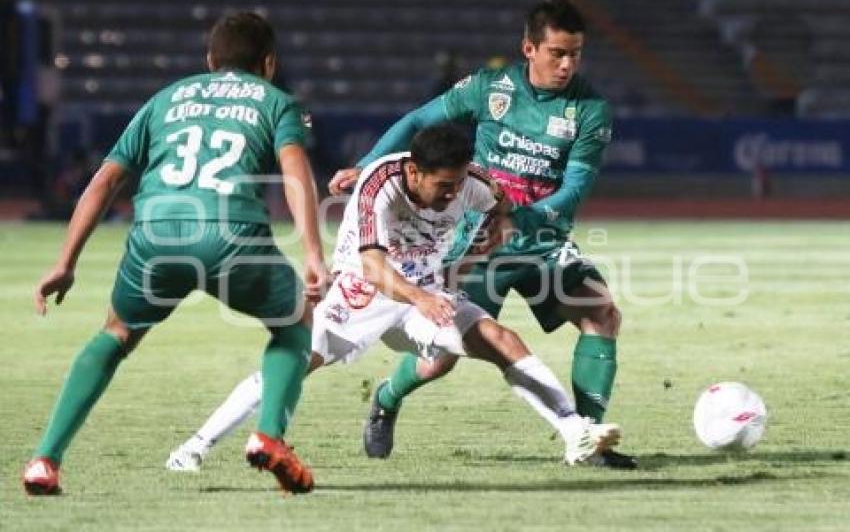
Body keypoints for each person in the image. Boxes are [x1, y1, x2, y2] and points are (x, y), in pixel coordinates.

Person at [165, 124, 622, 471]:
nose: (453, 194)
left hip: (426, 291)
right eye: (444, 186)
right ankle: (195, 448)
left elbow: (500, 212)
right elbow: (373, 266)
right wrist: (420, 297)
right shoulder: (378, 185)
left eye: (458, 184)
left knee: (500, 339)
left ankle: (573, 432)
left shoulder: (472, 184)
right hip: (363, 292)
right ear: (414, 171)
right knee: (291, 364)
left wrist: (463, 265)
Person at [22, 12, 328, 496]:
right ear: (269, 63)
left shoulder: (166, 98)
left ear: (210, 60)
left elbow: (105, 180)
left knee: (117, 333)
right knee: (294, 323)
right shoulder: (277, 102)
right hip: (232, 233)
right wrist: (312, 250)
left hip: (155, 235)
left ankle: (44, 460)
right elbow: (294, 168)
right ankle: (269, 435)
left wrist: (65, 262)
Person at [328, 0, 635, 469]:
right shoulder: (491, 88)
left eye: (575, 53)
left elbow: (574, 189)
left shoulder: (590, 108)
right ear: (529, 48)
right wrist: (367, 164)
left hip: (539, 235)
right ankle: (387, 398)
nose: (567, 64)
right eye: (557, 52)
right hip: (476, 241)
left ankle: (589, 439)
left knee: (601, 314)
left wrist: (522, 220)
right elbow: (418, 121)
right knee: (443, 357)